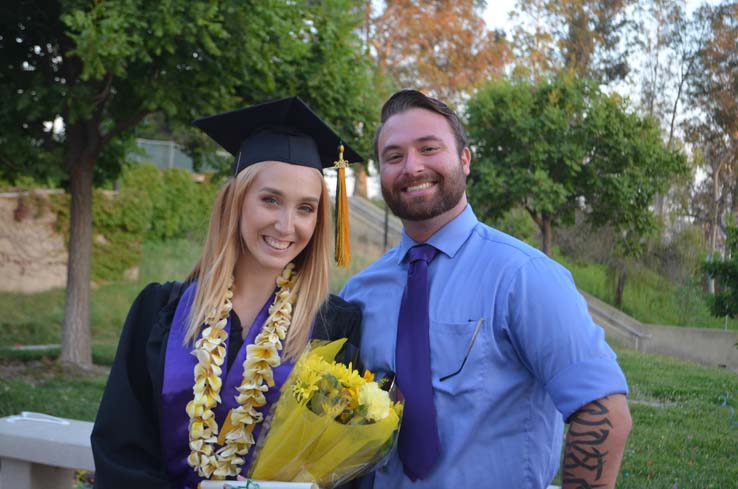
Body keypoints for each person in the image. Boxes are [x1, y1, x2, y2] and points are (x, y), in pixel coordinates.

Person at [340, 89, 632, 489]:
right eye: (394, 156)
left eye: (429, 148)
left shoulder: (523, 277)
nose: (412, 167)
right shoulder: (361, 292)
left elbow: (602, 410)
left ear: (464, 159)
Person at [92, 97, 363, 489]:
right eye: (270, 199)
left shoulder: (335, 327)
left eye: (306, 208)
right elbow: (120, 449)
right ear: (235, 202)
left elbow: (341, 470)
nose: (287, 225)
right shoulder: (159, 311)